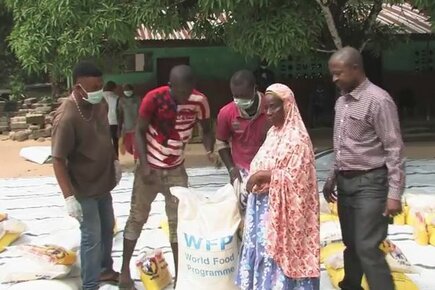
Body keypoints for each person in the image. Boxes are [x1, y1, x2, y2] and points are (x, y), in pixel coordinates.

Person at [119, 65, 216, 290]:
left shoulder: (200, 101)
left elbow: (206, 128)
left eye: (188, 91)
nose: (184, 97)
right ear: (170, 86)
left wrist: (209, 149)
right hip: (149, 169)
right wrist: (144, 166)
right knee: (137, 217)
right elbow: (140, 132)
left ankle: (181, 278)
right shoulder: (154, 98)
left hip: (176, 170)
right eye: (180, 92)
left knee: (178, 222)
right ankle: (124, 274)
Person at [323, 46, 405, 290]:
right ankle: (351, 285)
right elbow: (341, 146)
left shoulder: (378, 100)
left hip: (371, 183)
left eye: (339, 73)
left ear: (356, 68)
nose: (335, 79)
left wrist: (394, 194)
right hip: (346, 183)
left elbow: (394, 148)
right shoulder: (341, 103)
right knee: (351, 243)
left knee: (367, 246)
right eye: (332, 74)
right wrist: (332, 176)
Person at [236, 83, 320, 290]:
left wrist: (265, 175)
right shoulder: (273, 133)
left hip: (284, 213)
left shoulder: (298, 140)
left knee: (277, 253)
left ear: (288, 106)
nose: (269, 113)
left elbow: (300, 181)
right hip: (264, 207)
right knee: (263, 251)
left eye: (274, 107)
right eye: (266, 108)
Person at [51, 62, 122, 290]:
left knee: (108, 227)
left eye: (100, 85)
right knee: (92, 236)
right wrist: (69, 197)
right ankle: (90, 284)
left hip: (103, 181)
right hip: (83, 186)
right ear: (78, 86)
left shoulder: (99, 103)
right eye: (93, 87)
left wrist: (114, 160)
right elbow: (58, 159)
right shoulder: (66, 117)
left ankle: (105, 270)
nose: (99, 91)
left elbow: (107, 135)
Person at [216, 70, 269, 210]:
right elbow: (221, 142)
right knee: (242, 212)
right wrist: (231, 169)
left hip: (268, 170)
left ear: (255, 89)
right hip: (241, 172)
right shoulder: (226, 113)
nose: (239, 100)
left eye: (243, 96)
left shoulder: (271, 107)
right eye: (235, 96)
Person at [118, 84, 140, 160]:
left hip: (136, 127)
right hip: (126, 127)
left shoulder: (138, 99)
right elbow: (120, 115)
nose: (127, 92)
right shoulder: (121, 101)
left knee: (136, 147)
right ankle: (135, 158)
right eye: (126, 91)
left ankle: (136, 161)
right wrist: (119, 128)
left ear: (132, 90)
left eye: (129, 90)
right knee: (128, 147)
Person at [103, 80, 120, 157]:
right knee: (115, 140)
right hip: (114, 121)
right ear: (114, 88)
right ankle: (116, 156)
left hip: (102, 121)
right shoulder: (116, 97)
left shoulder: (100, 96)